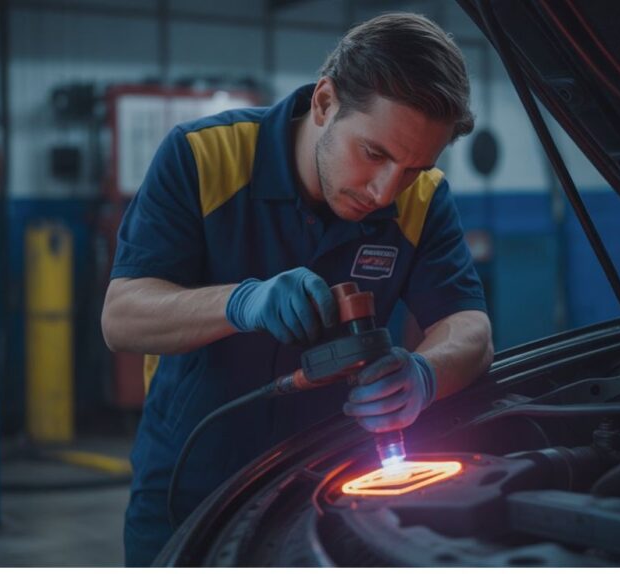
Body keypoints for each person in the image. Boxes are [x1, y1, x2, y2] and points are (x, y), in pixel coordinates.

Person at [101, 12, 494, 566]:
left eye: (411, 168)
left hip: (333, 484)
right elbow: (121, 318)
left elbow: (470, 327)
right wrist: (240, 303)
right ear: (326, 101)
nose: (386, 192)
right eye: (375, 154)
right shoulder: (204, 157)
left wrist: (425, 374)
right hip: (191, 488)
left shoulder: (423, 198)